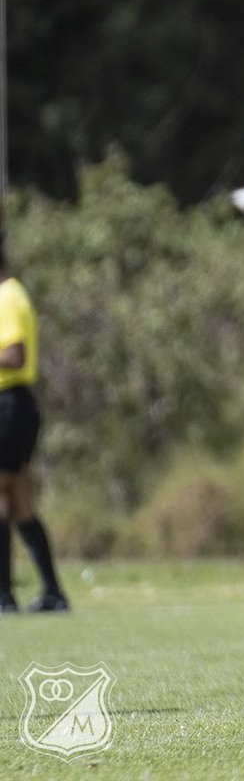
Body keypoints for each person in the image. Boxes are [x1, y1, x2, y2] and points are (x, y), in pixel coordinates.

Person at [0, 239, 69, 613]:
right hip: (17, 405)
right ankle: (53, 593)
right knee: (21, 503)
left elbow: (14, 354)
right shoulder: (13, 294)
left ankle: (3, 596)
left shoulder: (6, 297)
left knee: (5, 499)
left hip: (8, 403)